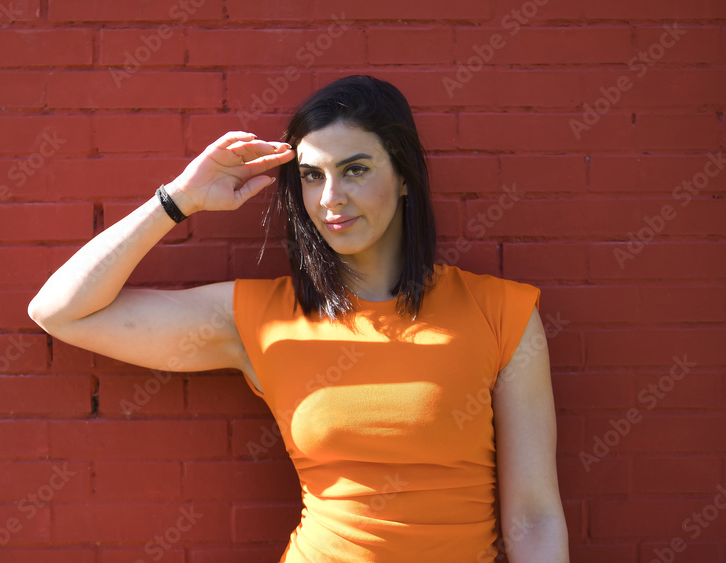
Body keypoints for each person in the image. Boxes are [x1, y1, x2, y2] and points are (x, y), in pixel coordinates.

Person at [28, 75, 569, 562]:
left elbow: (535, 516)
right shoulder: (262, 319)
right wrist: (179, 200)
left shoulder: (501, 313)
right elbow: (60, 312)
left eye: (355, 170)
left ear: (405, 176)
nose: (331, 198)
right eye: (312, 176)